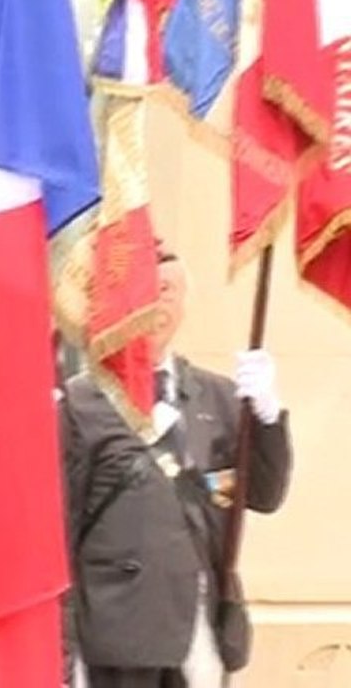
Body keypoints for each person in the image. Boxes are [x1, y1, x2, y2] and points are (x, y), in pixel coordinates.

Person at [62, 248, 293, 688]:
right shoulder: (80, 403)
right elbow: (58, 528)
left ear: (184, 303)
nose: (156, 303)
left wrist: (267, 416)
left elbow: (263, 493)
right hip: (117, 633)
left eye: (167, 291)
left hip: (201, 622)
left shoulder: (217, 396)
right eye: (145, 290)